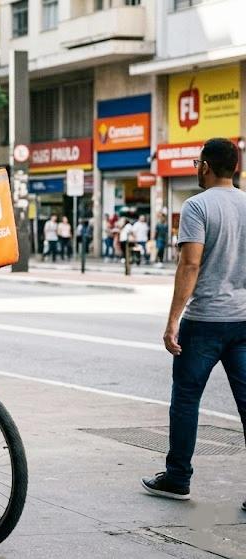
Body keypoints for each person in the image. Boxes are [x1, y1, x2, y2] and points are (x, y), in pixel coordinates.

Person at [144, 138, 246, 512]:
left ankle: (177, 478)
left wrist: (172, 321)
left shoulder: (197, 206)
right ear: (234, 167)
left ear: (205, 166)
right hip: (244, 321)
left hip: (204, 322)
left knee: (186, 399)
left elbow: (190, 264)